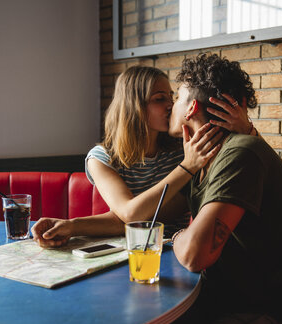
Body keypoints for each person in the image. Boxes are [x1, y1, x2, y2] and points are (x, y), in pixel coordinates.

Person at [31, 65, 259, 248]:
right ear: (134, 106)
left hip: (172, 251)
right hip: (128, 253)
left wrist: (246, 128)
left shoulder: (185, 147)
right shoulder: (101, 158)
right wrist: (71, 226)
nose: (170, 105)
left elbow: (251, 162)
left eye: (171, 97)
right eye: (160, 99)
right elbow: (130, 215)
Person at [167, 54, 282, 324]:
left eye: (177, 97)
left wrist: (176, 236)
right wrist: (77, 226)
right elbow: (141, 213)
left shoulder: (241, 152)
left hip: (263, 312)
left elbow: (193, 256)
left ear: (191, 109)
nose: (171, 106)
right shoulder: (203, 158)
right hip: (220, 299)